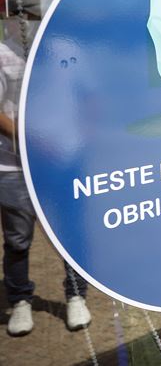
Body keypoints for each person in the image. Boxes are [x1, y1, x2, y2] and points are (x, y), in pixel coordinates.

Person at [0, 41, 92, 336]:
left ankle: (76, 296)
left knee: (71, 234)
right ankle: (20, 300)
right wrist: (33, 142)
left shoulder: (64, 45)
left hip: (64, 160)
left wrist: (83, 137)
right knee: (17, 240)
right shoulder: (2, 51)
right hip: (13, 165)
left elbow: (87, 94)